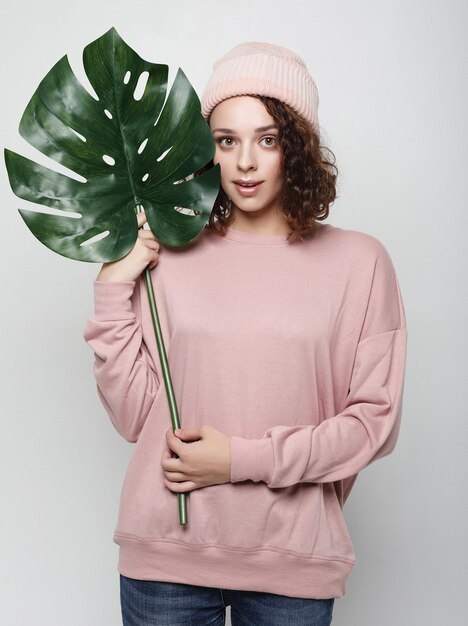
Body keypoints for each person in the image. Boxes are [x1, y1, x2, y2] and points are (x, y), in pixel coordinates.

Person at [83, 41, 408, 626]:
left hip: (293, 562)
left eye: (267, 138)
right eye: (227, 140)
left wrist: (238, 460)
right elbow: (137, 418)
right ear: (207, 149)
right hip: (166, 562)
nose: (246, 163)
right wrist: (113, 288)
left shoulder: (360, 263)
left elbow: (371, 426)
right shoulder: (168, 252)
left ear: (297, 146)